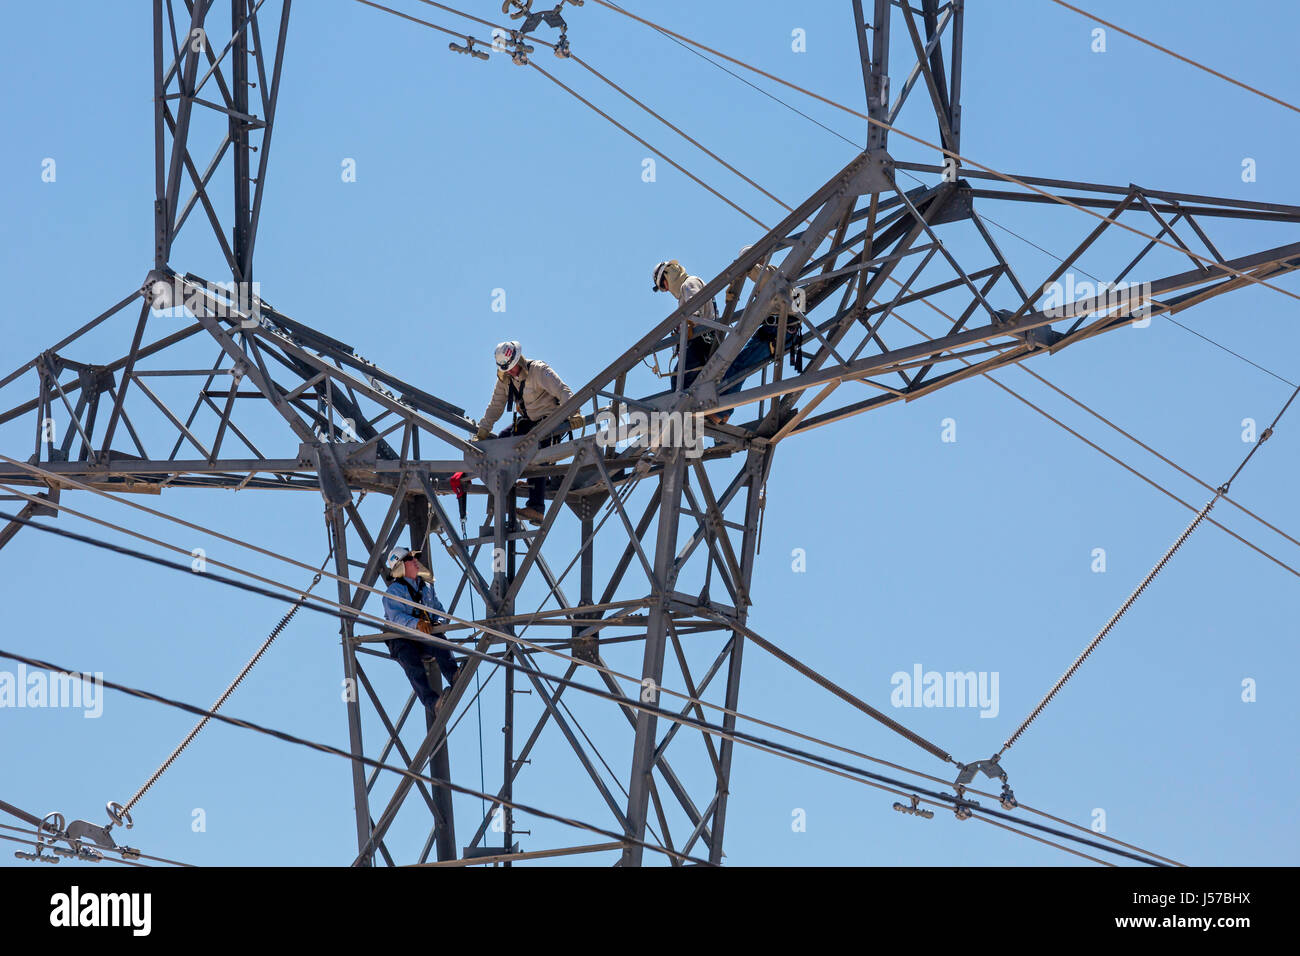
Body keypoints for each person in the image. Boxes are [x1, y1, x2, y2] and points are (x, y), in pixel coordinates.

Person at [472, 340, 583, 523]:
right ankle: (506, 487)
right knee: (502, 443)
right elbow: (496, 406)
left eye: (514, 368)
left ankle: (536, 508)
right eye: (507, 370)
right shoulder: (505, 379)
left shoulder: (538, 371)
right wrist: (483, 431)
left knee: (537, 455)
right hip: (529, 422)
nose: (511, 372)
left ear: (520, 361)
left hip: (550, 422)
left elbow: (562, 390)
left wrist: (574, 413)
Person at [652, 259, 772, 419]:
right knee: (685, 381)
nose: (666, 290)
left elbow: (695, 311)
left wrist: (688, 325)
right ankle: (699, 413)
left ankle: (688, 414)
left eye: (663, 286)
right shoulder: (685, 288)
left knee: (680, 381)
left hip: (701, 340)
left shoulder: (689, 283)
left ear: (668, 276)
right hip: (701, 339)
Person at [381, 546, 461, 714]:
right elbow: (396, 619)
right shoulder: (393, 592)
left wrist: (438, 622)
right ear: (401, 566)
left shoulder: (426, 588)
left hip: (423, 637)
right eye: (410, 559)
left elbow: (439, 611)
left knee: (438, 637)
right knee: (412, 664)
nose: (415, 561)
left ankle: (454, 674)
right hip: (401, 639)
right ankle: (433, 703)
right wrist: (416, 623)